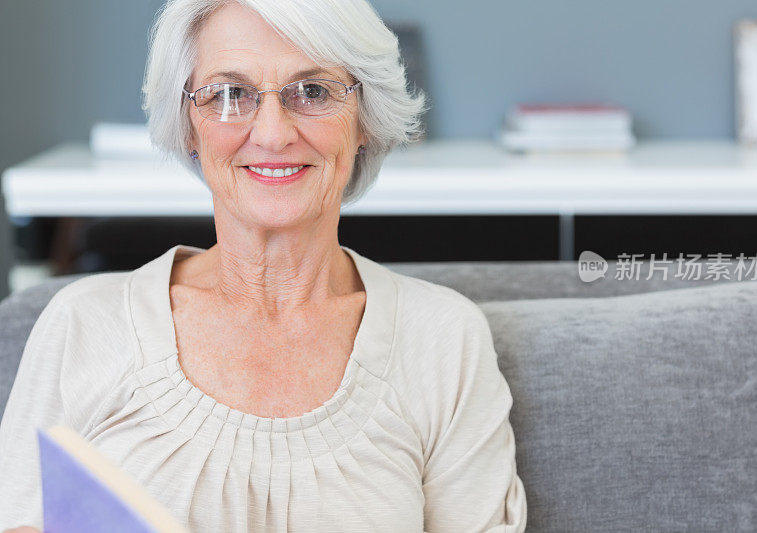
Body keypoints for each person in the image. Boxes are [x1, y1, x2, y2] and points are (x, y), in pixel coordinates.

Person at [0, 0, 527, 531]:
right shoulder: (83, 325)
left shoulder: (444, 341)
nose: (273, 134)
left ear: (363, 119)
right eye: (231, 94)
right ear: (189, 125)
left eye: (314, 92)